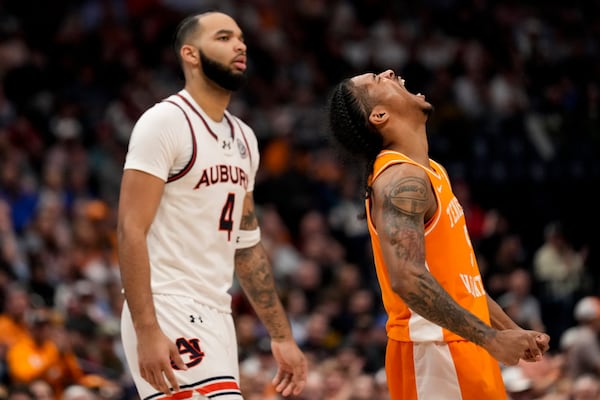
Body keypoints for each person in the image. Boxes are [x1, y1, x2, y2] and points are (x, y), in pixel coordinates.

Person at [326, 69, 550, 400]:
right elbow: (408, 279)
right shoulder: (401, 181)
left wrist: (510, 331)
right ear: (379, 115)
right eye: (377, 79)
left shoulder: (432, 172)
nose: (390, 72)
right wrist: (491, 338)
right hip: (432, 351)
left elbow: (461, 285)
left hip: (462, 343)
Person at [117, 11, 307, 400]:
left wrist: (281, 335)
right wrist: (147, 329)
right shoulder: (165, 122)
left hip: (218, 314)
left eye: (240, 38)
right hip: (167, 305)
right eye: (223, 38)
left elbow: (247, 244)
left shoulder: (245, 138)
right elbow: (129, 229)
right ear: (190, 53)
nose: (240, 45)